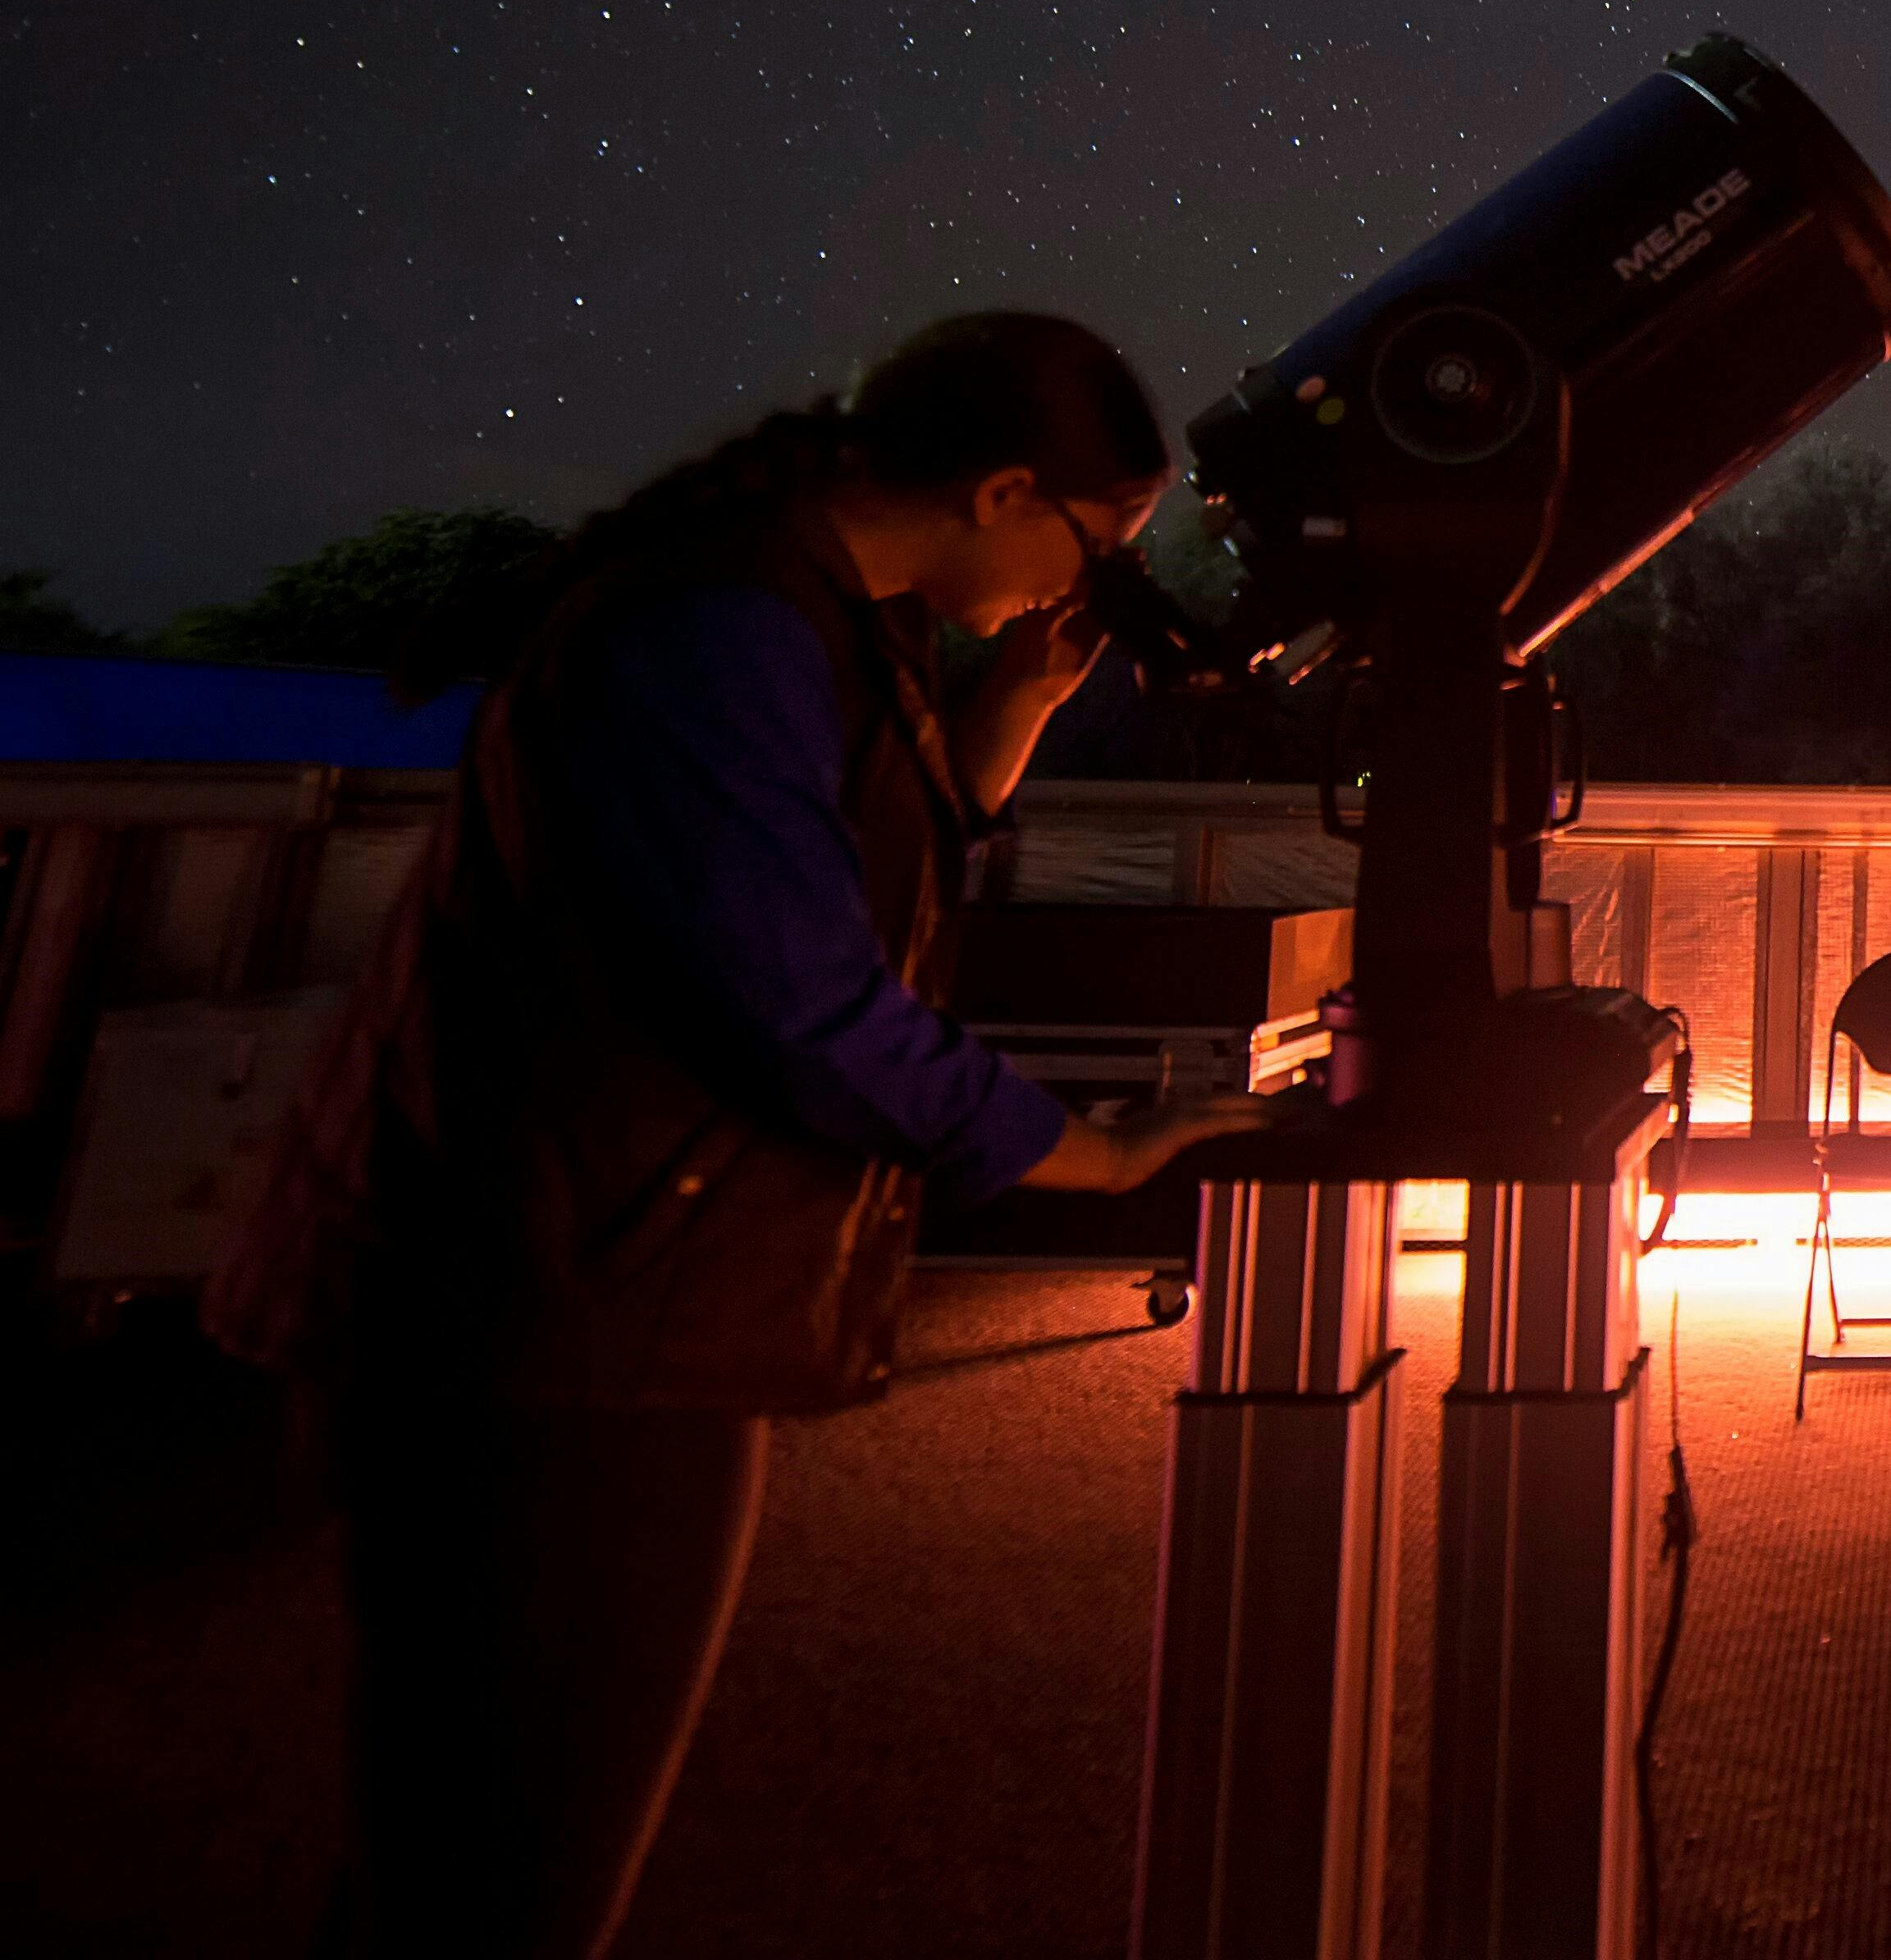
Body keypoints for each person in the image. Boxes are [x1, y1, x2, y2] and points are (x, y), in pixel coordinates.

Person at [219, 313, 1269, 1958]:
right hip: (560, 1328)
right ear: (1004, 490)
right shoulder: (721, 634)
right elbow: (801, 1001)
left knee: (476, 1848)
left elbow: (842, 847)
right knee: (504, 1879)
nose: (1095, 582)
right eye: (1098, 540)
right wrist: (1093, 1148)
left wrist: (1018, 702)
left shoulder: (805, 615)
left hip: (585, 1292)